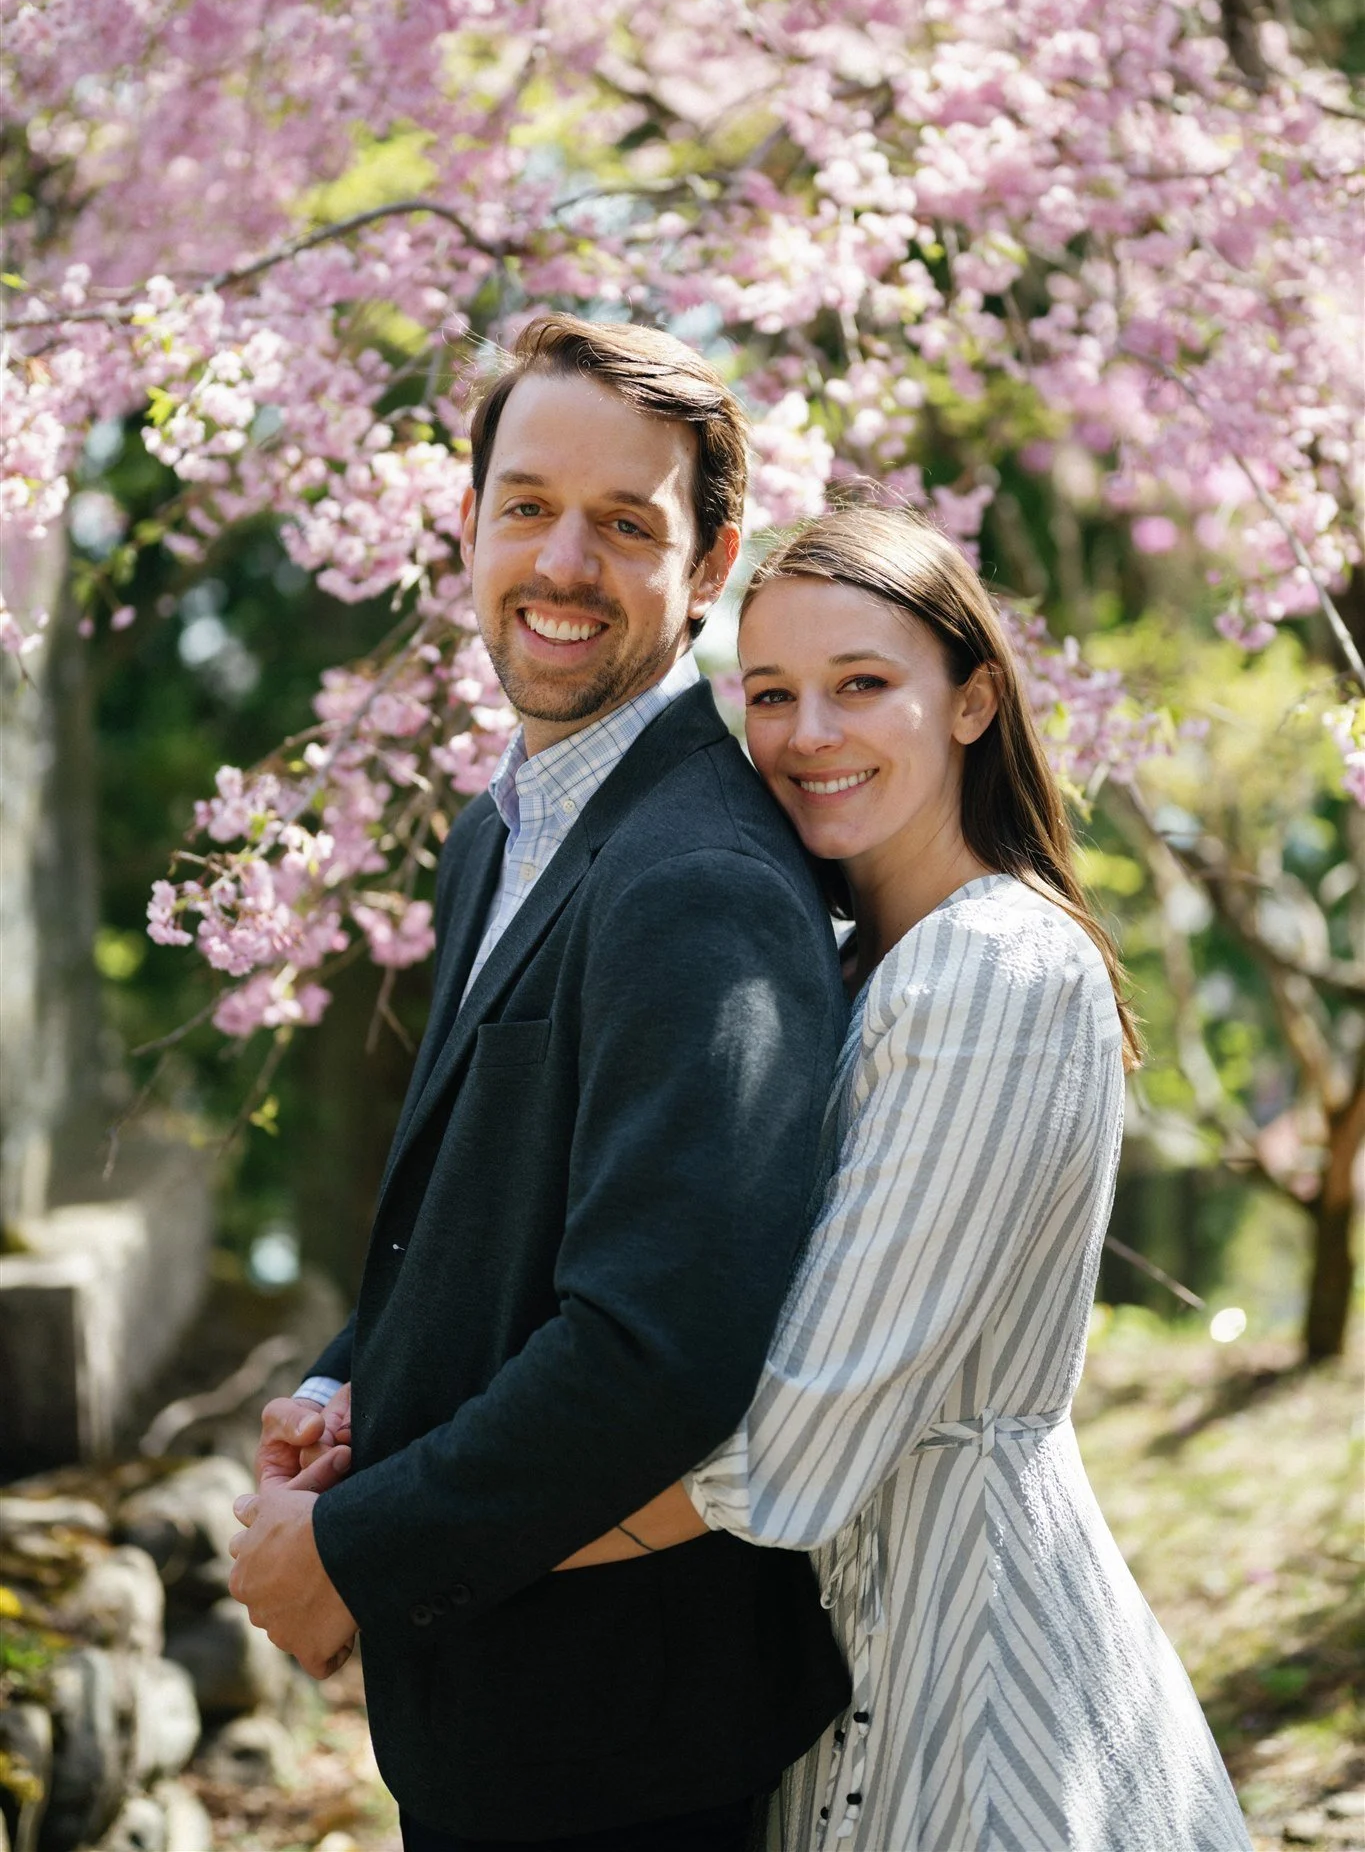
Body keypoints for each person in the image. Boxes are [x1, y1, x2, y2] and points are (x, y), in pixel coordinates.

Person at [227, 316, 852, 1852]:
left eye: (627, 525)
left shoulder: (695, 879)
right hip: (497, 1724)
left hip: (622, 1752)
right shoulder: (496, 833)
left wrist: (352, 1555)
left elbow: (657, 1349)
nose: (563, 563)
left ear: (707, 571)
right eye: (527, 507)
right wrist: (349, 1381)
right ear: (468, 525)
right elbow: (483, 1212)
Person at [563, 507, 1253, 1852]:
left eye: (863, 684)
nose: (810, 734)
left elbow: (794, 1454)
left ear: (974, 700)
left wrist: (431, 1557)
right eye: (771, 696)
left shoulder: (992, 968)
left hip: (987, 1702)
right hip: (836, 1681)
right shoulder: (846, 965)